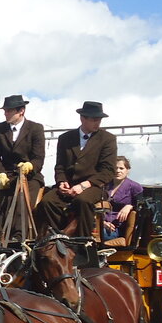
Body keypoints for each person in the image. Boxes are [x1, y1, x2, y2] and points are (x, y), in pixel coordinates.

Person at [37, 101, 118, 237]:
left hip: (93, 186)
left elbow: (108, 171)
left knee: (82, 201)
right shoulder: (65, 138)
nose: (97, 123)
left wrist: (84, 185)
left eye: (99, 120)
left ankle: (83, 241)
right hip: (69, 185)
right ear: (82, 118)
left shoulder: (107, 139)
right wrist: (61, 182)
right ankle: (58, 237)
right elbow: (60, 166)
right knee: (47, 202)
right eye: (94, 120)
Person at [0, 94, 45, 231]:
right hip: (6, 174)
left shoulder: (36, 129)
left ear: (21, 111)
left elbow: (39, 158)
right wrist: (0, 174)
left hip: (29, 176)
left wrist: (29, 166)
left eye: (9, 111)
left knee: (22, 201)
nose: (5, 114)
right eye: (5, 111)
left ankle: (19, 236)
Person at [101, 155, 144, 242]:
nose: (117, 171)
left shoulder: (135, 187)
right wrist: (103, 223)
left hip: (117, 228)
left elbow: (142, 206)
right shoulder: (104, 185)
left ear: (127, 170)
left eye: (121, 168)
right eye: (115, 168)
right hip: (100, 224)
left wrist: (130, 206)